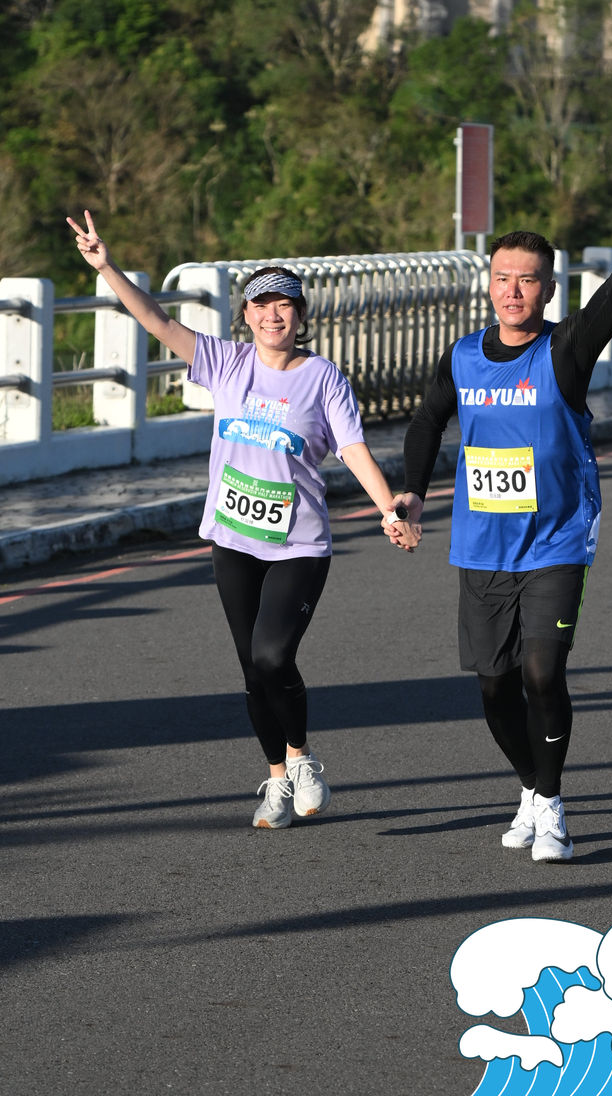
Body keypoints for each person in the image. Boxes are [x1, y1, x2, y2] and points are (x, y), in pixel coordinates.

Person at [68, 210, 419, 830]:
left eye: (285, 305)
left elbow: (353, 449)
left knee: (272, 655)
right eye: (261, 306)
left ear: (301, 316)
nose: (273, 315)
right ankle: (277, 778)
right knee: (252, 671)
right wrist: (107, 266)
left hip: (298, 544)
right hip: (233, 540)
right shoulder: (226, 363)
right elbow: (156, 321)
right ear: (246, 316)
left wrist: (388, 508)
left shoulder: (323, 378)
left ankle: (302, 758)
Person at [385, 142, 612, 863]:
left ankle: (554, 805)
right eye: (503, 278)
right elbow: (427, 421)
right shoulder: (461, 356)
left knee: (542, 673)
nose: (513, 291)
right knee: (493, 688)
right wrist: (412, 490)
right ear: (489, 285)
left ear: (547, 289)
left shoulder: (565, 350)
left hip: (557, 540)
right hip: (482, 545)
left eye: (528, 280)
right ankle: (533, 789)